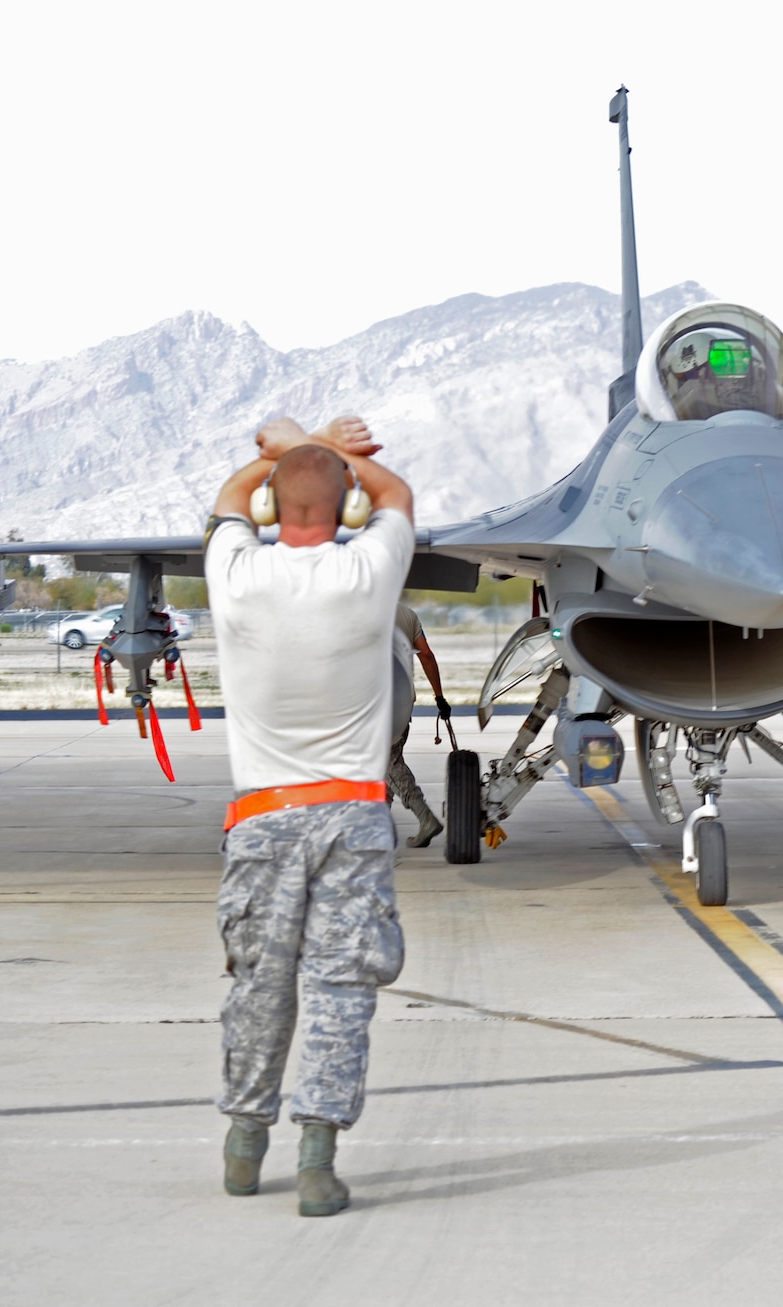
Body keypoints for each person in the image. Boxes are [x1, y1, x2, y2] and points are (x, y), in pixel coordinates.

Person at [202, 413, 414, 1218]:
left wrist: (291, 451)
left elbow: (229, 496)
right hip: (353, 818)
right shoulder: (368, 572)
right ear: (345, 509)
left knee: (261, 985)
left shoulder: (237, 574)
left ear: (271, 510)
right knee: (340, 989)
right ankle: (319, 1160)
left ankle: (244, 1145)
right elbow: (399, 493)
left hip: (262, 819)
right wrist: (341, 461)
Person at [387, 603, 450, 848]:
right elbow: (426, 655)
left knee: (387, 764)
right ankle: (379, 828)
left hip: (374, 704)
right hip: (402, 701)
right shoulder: (407, 615)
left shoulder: (359, 611)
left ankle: (425, 817)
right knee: (386, 768)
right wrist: (439, 697)